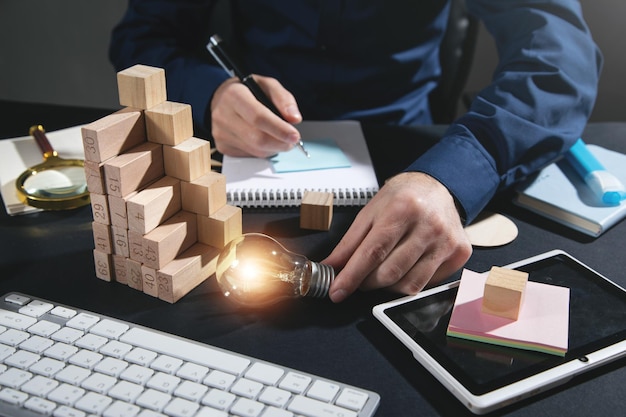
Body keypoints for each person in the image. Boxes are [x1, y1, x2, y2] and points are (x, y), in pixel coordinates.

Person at [109, 0, 602, 303]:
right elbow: (141, 36)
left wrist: (456, 174)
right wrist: (210, 92)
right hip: (248, 154)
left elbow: (561, 60)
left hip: (411, 160)